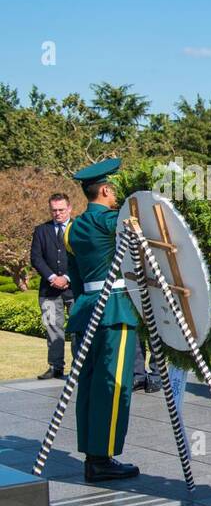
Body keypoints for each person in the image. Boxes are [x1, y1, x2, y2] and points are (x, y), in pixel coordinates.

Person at [65, 159, 139, 481]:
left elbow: (76, 276)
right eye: (115, 190)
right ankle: (102, 458)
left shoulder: (73, 227)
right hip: (115, 308)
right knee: (113, 385)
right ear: (106, 190)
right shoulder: (115, 221)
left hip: (87, 310)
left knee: (90, 384)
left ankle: (91, 453)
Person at [31, 192, 76, 380]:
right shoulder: (42, 230)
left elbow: (82, 257)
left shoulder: (77, 229)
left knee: (77, 328)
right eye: (54, 210)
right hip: (49, 290)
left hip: (74, 289)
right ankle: (56, 367)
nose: (57, 214)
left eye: (61, 210)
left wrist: (66, 277)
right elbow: (36, 258)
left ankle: (78, 368)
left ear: (69, 208)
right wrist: (52, 277)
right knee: (52, 328)